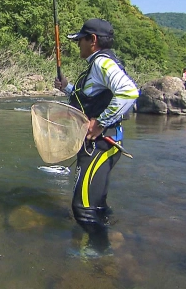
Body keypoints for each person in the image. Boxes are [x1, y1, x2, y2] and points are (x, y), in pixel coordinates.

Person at [53, 18, 139, 255]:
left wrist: (100, 123)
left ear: (92, 41)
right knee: (97, 205)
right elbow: (91, 96)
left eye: (80, 39)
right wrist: (67, 88)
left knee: (83, 209)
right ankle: (110, 244)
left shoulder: (101, 63)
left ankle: (97, 256)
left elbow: (129, 92)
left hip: (100, 145)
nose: (77, 44)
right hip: (105, 144)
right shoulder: (98, 64)